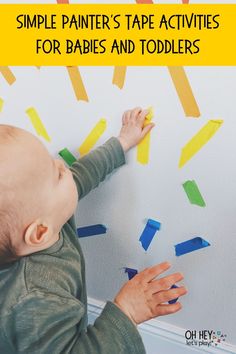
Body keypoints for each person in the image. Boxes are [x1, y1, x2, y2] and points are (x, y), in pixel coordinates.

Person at [0, 107, 187, 353]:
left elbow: (81, 175)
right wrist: (126, 312)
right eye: (57, 174)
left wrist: (121, 143)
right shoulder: (35, 300)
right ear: (39, 233)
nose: (61, 164)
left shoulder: (46, 215)